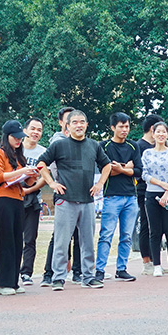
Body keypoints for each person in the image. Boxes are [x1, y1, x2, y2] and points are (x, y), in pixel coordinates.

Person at [37, 109, 112, 290]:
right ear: (67, 126)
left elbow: (107, 164)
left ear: (86, 125)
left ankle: (88, 276)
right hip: (65, 200)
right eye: (75, 122)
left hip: (87, 200)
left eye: (82, 122)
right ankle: (58, 277)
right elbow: (41, 164)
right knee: (62, 241)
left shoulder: (94, 145)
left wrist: (100, 183)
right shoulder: (59, 145)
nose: (79, 125)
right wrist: (52, 183)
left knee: (87, 241)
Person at [0, 120, 38, 294]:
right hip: (3, 200)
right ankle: (3, 282)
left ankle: (13, 281)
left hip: (18, 199)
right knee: (5, 241)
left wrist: (32, 174)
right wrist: (21, 171)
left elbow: (27, 181)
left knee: (18, 240)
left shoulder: (19, 155)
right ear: (6, 136)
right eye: (15, 137)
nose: (18, 141)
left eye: (20, 138)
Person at [39, 107, 82, 286]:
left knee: (80, 235)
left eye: (77, 120)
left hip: (81, 194)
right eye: (69, 120)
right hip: (63, 192)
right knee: (60, 235)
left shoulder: (83, 141)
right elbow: (44, 165)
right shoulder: (57, 142)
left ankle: (79, 272)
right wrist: (52, 183)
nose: (74, 123)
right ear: (62, 123)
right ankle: (49, 274)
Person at [97, 113, 140, 282]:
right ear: (113, 127)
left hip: (131, 196)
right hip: (111, 196)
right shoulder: (104, 146)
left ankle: (121, 269)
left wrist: (119, 168)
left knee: (127, 236)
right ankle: (100, 269)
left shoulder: (134, 146)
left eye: (127, 126)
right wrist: (126, 168)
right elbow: (106, 171)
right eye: (121, 126)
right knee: (106, 234)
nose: (124, 130)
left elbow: (138, 172)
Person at [141, 121, 168, 277]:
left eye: (164, 132)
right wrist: (161, 184)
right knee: (154, 231)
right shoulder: (147, 154)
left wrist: (167, 192)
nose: (161, 134)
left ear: (167, 134)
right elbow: (144, 174)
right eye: (158, 132)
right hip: (152, 194)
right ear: (153, 133)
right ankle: (156, 265)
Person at [133, 114, 163, 275]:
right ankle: (146, 261)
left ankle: (155, 260)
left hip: (159, 191)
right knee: (146, 224)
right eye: (159, 130)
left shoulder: (156, 147)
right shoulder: (140, 146)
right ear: (153, 129)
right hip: (145, 191)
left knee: (157, 226)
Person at [19, 118, 47, 285]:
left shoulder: (44, 152)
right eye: (33, 129)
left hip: (33, 200)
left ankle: (26, 272)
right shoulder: (15, 149)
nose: (36, 132)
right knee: (11, 237)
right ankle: (9, 272)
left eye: (39, 130)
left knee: (30, 238)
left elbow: (45, 177)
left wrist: (29, 190)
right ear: (25, 130)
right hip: (14, 199)